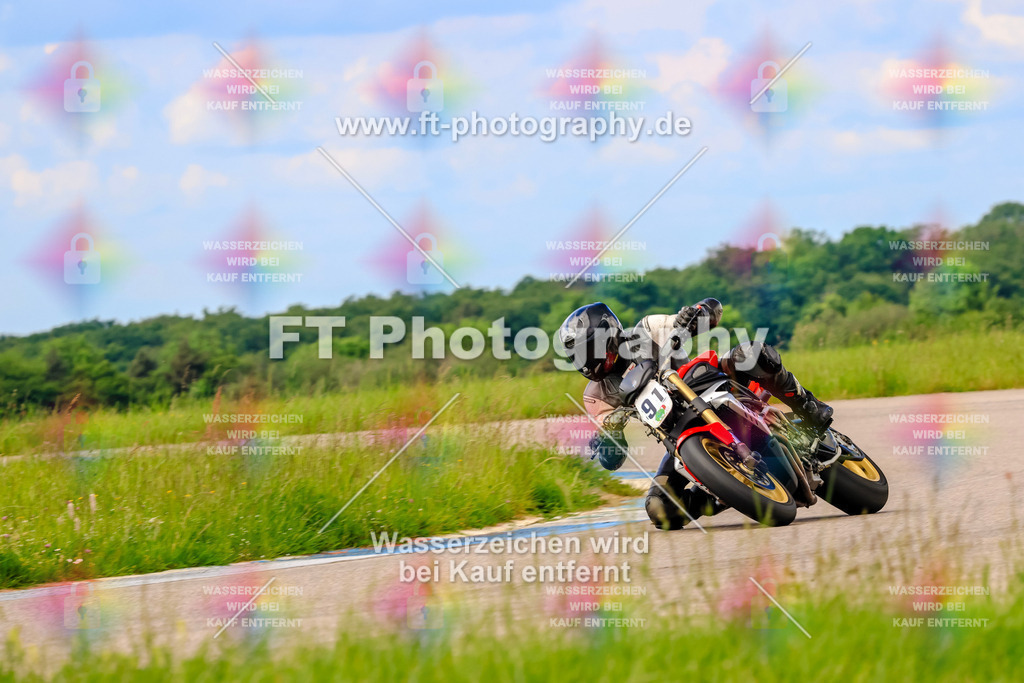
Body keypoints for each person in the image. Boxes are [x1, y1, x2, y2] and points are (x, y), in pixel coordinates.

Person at [557, 299, 834, 530]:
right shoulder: (595, 395)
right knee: (659, 508)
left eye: (587, 349)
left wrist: (697, 313)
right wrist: (608, 441)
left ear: (608, 334)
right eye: (577, 356)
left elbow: (712, 313)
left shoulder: (646, 330)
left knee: (752, 354)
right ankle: (718, 494)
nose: (584, 361)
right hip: (678, 436)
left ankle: (808, 406)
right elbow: (612, 460)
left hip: (706, 383)